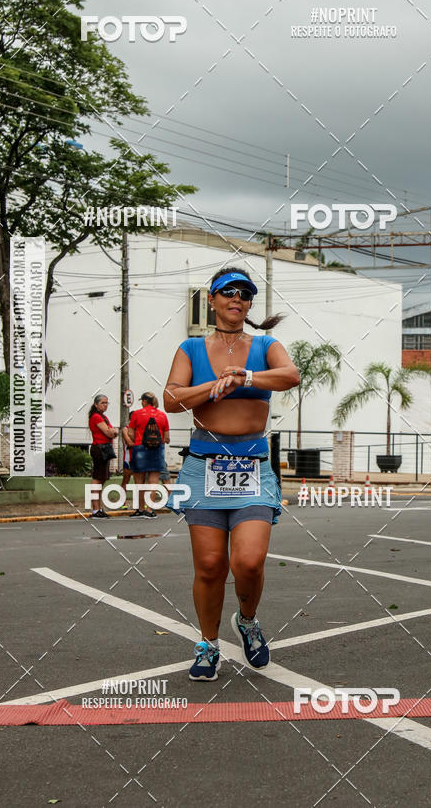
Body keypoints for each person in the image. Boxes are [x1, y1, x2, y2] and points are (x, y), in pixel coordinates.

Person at [163, 267, 299, 681]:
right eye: (228, 292)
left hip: (252, 467)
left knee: (249, 562)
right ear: (212, 299)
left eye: (245, 293)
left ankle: (248, 620)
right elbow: (171, 399)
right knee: (209, 566)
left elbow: (291, 375)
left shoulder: (265, 345)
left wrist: (246, 377)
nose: (237, 298)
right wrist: (214, 386)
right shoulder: (190, 348)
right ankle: (208, 644)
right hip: (203, 468)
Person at [128, 392, 170, 518]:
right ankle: (150, 510)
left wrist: (138, 440)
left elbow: (130, 433)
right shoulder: (162, 415)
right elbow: (166, 438)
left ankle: (140, 509)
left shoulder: (136, 414)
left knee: (139, 482)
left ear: (144, 401)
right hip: (157, 449)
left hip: (139, 448)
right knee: (153, 481)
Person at [88, 394, 118, 518]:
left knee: (102, 478)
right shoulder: (96, 417)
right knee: (97, 478)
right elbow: (109, 432)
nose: (105, 405)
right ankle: (95, 509)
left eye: (106, 403)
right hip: (100, 448)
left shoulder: (103, 417)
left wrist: (112, 432)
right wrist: (112, 432)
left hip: (105, 448)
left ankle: (99, 507)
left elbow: (113, 432)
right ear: (96, 404)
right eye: (103, 403)